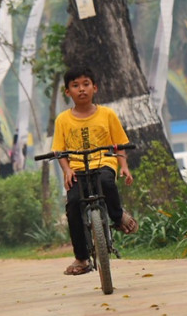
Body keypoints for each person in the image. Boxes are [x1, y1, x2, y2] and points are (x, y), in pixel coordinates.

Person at [50, 66, 139, 276]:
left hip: (104, 163)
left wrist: (124, 167)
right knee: (72, 205)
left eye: (86, 84)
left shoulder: (107, 114)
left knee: (107, 183)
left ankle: (117, 217)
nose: (81, 89)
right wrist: (66, 170)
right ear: (67, 91)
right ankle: (81, 258)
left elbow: (119, 144)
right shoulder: (62, 119)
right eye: (75, 85)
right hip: (77, 169)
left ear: (95, 88)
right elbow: (59, 151)